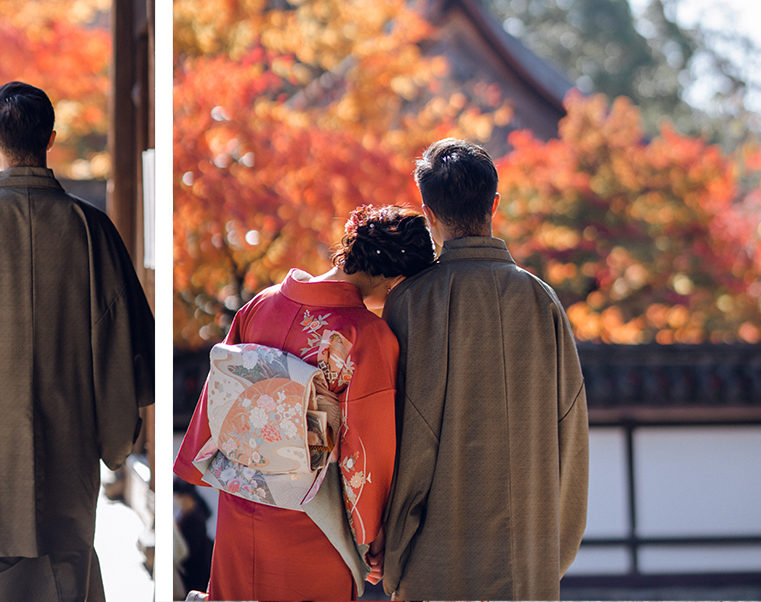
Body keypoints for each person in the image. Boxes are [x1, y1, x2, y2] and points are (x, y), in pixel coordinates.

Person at [0, 81, 155, 602]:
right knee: (67, 566)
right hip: (69, 442)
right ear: (51, 138)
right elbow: (127, 342)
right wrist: (115, 432)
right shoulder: (91, 228)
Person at [174, 204, 436, 601]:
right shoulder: (365, 335)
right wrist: (370, 533)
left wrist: (198, 459)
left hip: (241, 497)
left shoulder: (260, 304)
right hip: (310, 515)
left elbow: (221, 394)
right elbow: (366, 449)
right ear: (395, 278)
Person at [381, 138, 588, 601]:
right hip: (529, 565)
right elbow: (570, 435)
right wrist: (552, 554)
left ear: (428, 212)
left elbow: (406, 441)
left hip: (436, 564)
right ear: (494, 203)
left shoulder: (412, 302)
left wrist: (389, 553)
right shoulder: (542, 301)